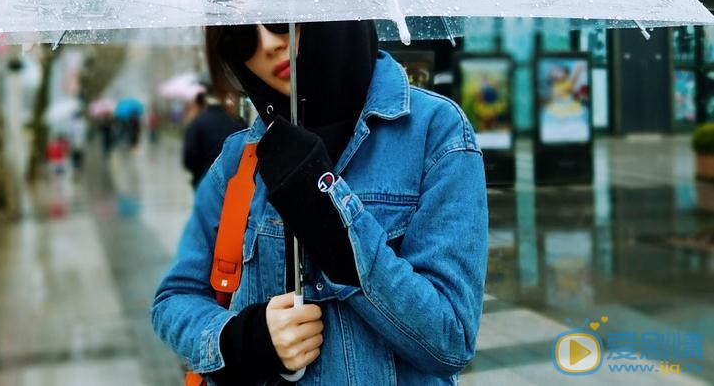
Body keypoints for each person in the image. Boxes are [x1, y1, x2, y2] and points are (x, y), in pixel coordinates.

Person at [151, 20, 488, 384]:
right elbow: (174, 299)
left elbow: (450, 341)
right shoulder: (239, 159)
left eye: (280, 20)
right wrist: (247, 340)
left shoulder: (434, 132)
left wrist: (332, 223)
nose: (267, 45)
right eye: (242, 36)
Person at [182, 87, 246, 187]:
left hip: (204, 182)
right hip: (234, 185)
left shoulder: (197, 123)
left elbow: (189, 159)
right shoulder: (239, 122)